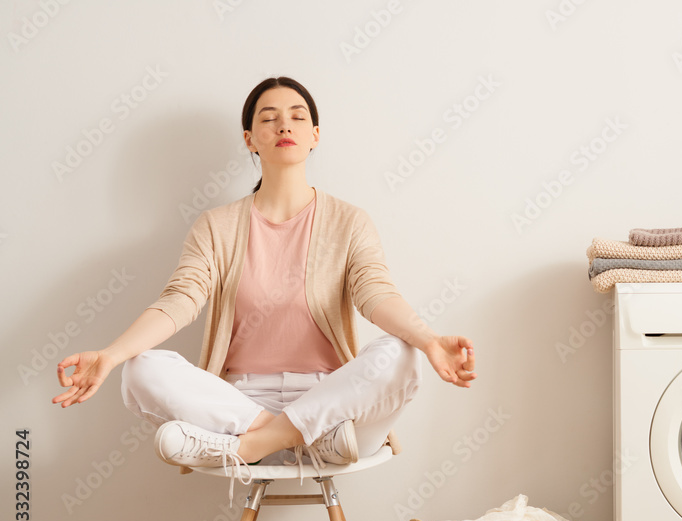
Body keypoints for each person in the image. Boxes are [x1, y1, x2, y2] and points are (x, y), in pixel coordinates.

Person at [52, 76, 476, 493]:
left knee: (403, 353)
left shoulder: (349, 221)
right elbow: (180, 299)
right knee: (139, 367)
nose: (284, 126)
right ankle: (281, 437)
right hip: (239, 406)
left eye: (296, 116)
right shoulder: (216, 226)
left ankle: (249, 448)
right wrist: (109, 355)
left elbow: (375, 292)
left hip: (332, 402)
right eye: (269, 118)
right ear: (250, 139)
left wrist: (430, 339)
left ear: (314, 135)